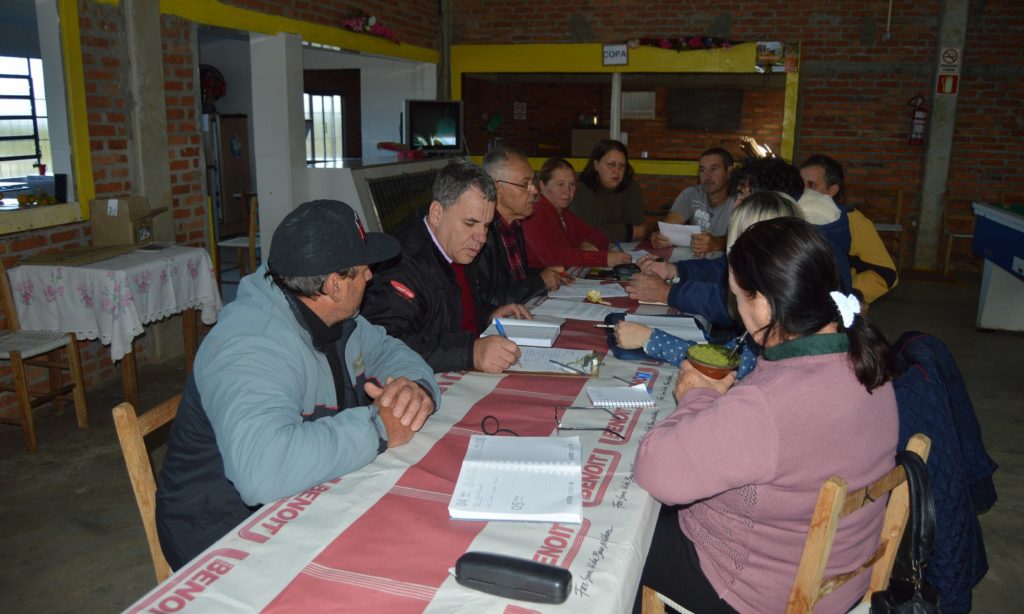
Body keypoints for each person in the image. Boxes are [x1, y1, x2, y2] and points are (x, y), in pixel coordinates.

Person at [633, 216, 899, 614]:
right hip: (840, 576)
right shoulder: (868, 361)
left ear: (762, 303)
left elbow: (656, 471)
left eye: (737, 297)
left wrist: (697, 397)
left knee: (621, 537)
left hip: (759, 591)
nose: (737, 311)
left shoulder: (768, 405)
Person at [156, 200, 439, 570]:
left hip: (303, 498)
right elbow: (262, 472)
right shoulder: (251, 346)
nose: (371, 276)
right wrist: (378, 428)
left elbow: (389, 349)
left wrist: (413, 388)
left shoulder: (335, 315)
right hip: (222, 535)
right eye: (363, 269)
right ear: (335, 285)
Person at [361, 159, 529, 374]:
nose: (481, 237)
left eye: (486, 225)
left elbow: (450, 317)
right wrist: (470, 353)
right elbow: (384, 346)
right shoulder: (402, 264)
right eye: (470, 223)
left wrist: (487, 316)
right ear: (437, 213)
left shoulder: (457, 248)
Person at [617, 190, 800, 357]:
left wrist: (652, 339)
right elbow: (720, 268)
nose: (735, 202)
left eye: (743, 195)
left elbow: (732, 363)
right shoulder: (783, 282)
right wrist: (676, 270)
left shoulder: (771, 314)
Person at [800, 154, 899, 304]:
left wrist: (851, 296)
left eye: (812, 185)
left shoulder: (853, 221)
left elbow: (886, 273)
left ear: (832, 190)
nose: (804, 191)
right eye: (801, 184)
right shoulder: (790, 211)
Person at [476, 146, 565, 305]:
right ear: (498, 188)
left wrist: (545, 275)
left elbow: (515, 278)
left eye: (533, 182)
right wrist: (539, 282)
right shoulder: (480, 233)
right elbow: (484, 299)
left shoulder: (514, 225)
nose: (535, 190)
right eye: (525, 184)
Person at [522, 157, 632, 268]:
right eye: (560, 184)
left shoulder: (564, 213)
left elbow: (600, 236)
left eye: (572, 184)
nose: (568, 191)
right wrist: (604, 259)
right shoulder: (534, 213)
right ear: (542, 185)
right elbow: (554, 258)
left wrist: (586, 243)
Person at [650, 147, 736, 257]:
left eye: (713, 169)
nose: (707, 176)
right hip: (695, 262)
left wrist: (717, 243)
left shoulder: (740, 198)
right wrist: (659, 237)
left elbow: (746, 238)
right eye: (702, 170)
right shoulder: (691, 194)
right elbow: (668, 228)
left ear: (729, 172)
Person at [569, 139, 648, 242]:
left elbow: (640, 229)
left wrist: (609, 229)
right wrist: (629, 232)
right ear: (596, 165)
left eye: (622, 166)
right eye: (611, 165)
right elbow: (588, 232)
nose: (617, 171)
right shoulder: (581, 190)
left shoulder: (632, 187)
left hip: (629, 250)